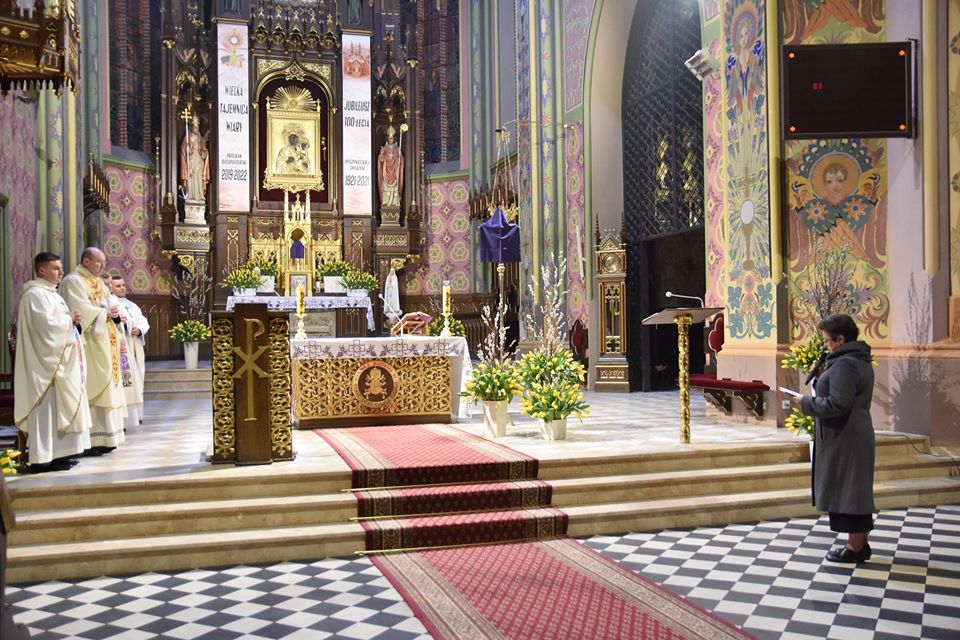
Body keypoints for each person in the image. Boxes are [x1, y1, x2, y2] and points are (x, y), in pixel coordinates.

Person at [792, 313, 876, 563]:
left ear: (841, 339)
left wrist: (805, 402)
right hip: (851, 434)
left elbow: (838, 404)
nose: (826, 345)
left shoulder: (845, 364)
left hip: (846, 436)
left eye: (828, 341)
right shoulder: (857, 359)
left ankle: (855, 547)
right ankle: (860, 544)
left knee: (850, 491)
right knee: (853, 489)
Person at [13, 253, 91, 472]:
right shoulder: (34, 295)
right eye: (56, 268)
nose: (61, 272)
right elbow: (45, 328)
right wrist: (69, 319)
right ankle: (42, 459)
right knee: (46, 410)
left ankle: (60, 455)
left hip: (59, 362)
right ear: (41, 270)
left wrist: (73, 322)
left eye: (60, 267)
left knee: (59, 409)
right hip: (44, 366)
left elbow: (61, 324)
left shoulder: (53, 294)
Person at [59, 248, 126, 454]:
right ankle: (92, 440)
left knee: (108, 388)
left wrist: (114, 313)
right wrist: (104, 313)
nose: (103, 266)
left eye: (104, 262)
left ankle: (107, 438)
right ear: (86, 261)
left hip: (105, 341)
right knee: (93, 387)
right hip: (89, 343)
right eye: (98, 261)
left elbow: (109, 303)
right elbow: (80, 309)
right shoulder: (73, 281)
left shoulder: (98, 282)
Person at [111, 275, 149, 428]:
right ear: (111, 288)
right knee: (127, 381)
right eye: (118, 285)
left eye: (123, 285)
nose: (122, 288)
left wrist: (139, 329)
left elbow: (143, 321)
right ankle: (126, 419)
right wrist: (127, 326)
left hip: (135, 348)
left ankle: (138, 415)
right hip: (123, 348)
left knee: (138, 380)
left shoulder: (132, 305)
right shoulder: (112, 304)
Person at [180, 114, 210, 203]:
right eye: (195, 126)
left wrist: (205, 152)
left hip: (199, 162)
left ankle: (200, 196)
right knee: (191, 178)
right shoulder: (188, 137)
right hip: (191, 161)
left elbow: (203, 150)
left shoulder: (200, 138)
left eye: (197, 126)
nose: (196, 128)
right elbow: (183, 150)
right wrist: (186, 147)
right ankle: (191, 196)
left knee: (199, 178)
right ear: (192, 126)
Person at [378, 125, 403, 208]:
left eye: (391, 138)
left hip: (394, 172)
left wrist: (400, 158)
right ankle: (386, 201)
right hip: (386, 171)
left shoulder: (397, 149)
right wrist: (382, 156)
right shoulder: (384, 148)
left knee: (395, 188)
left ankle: (395, 202)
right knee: (386, 187)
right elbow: (380, 159)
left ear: (394, 139)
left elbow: (401, 160)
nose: (390, 140)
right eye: (389, 138)